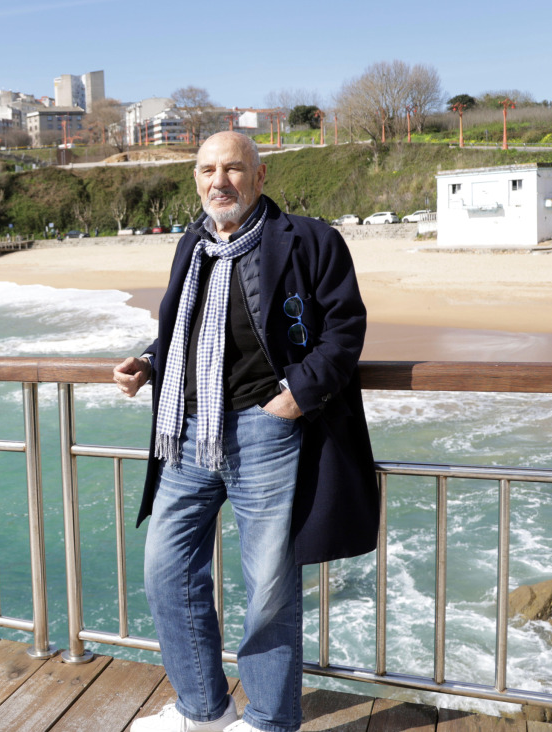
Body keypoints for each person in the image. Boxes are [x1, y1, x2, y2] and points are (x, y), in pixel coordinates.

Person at [113, 131, 379, 732]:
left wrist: (294, 398)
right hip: (187, 433)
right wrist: (150, 363)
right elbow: (188, 330)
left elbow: (345, 330)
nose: (219, 181)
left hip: (267, 432)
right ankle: (203, 710)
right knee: (165, 571)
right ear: (196, 178)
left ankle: (269, 720)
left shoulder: (311, 240)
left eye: (233, 168)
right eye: (207, 169)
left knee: (267, 589)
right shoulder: (193, 244)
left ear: (259, 177)